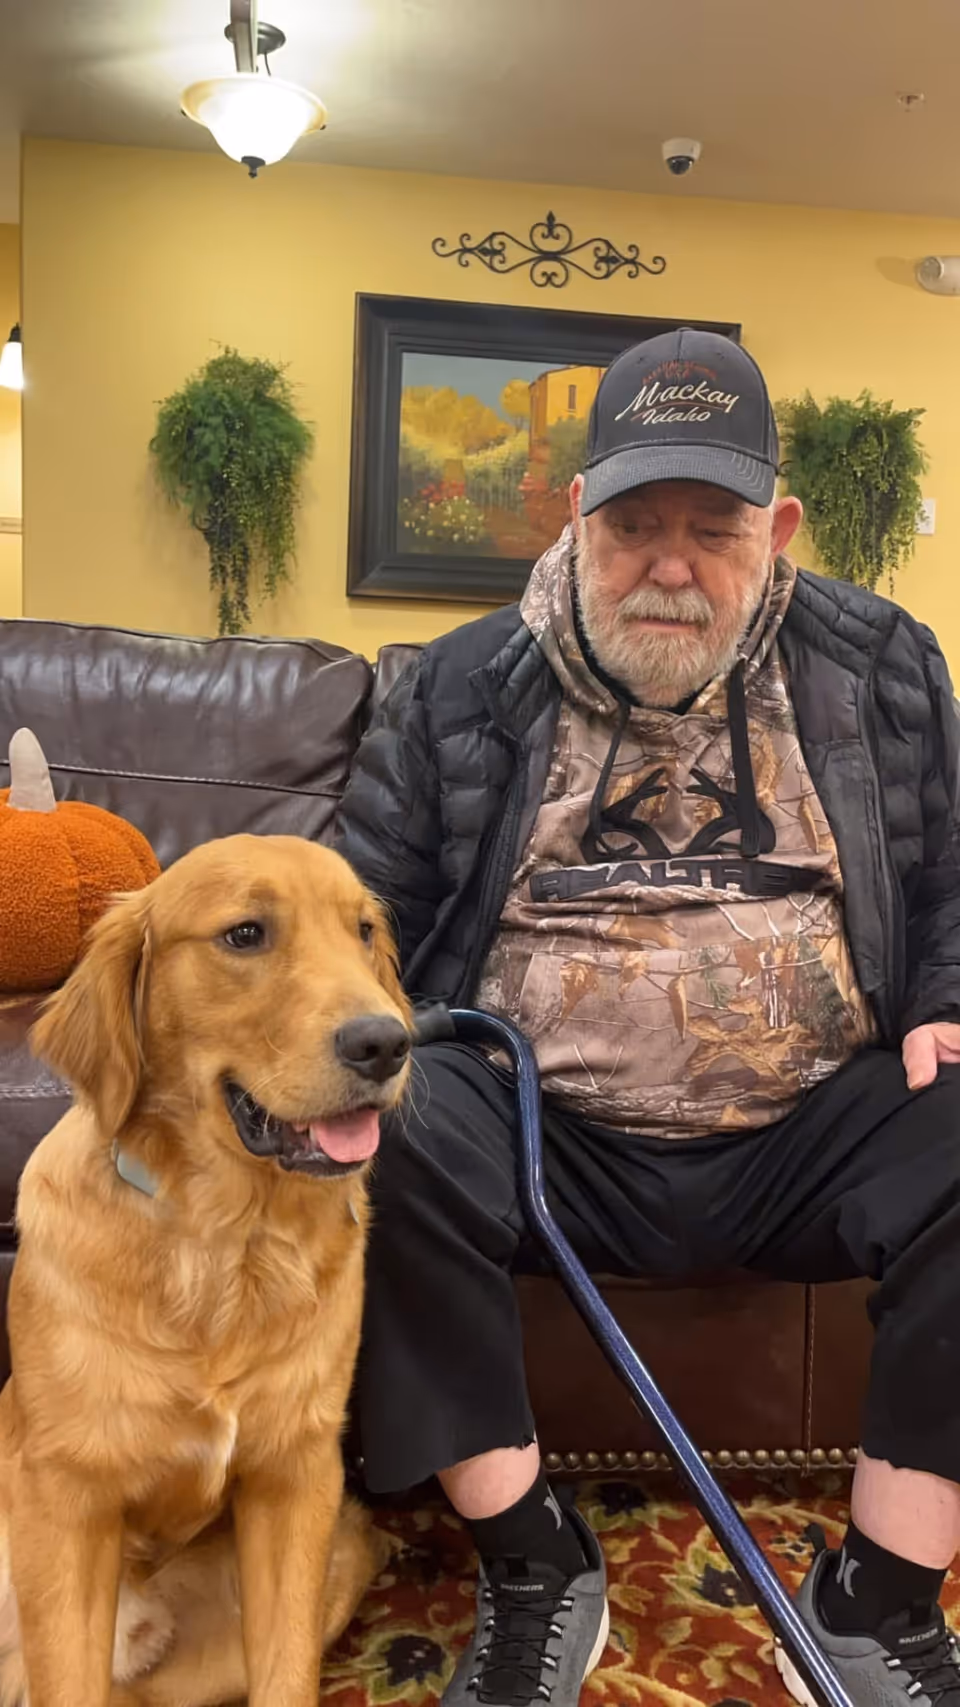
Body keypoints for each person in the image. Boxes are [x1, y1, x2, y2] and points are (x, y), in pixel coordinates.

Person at [336, 327, 960, 1707]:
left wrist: (948, 994)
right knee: (377, 1117)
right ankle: (532, 1557)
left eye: (712, 527)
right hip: (538, 1132)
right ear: (577, 515)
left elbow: (954, 870)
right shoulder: (450, 686)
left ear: (778, 528)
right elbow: (353, 916)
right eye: (634, 525)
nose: (671, 564)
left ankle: (883, 1594)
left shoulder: (885, 665)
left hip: (812, 1123)